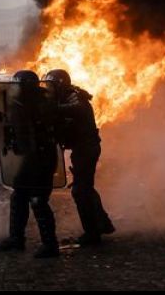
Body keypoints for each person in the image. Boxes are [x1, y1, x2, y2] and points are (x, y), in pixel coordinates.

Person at [44, 69, 115, 246]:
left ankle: (92, 233)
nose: (49, 90)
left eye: (52, 86)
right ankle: (102, 224)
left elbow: (76, 109)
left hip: (86, 149)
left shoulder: (76, 97)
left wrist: (50, 109)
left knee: (81, 191)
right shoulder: (65, 97)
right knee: (86, 188)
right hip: (81, 149)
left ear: (60, 84)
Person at [0, 70, 60, 259]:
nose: (14, 89)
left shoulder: (44, 104)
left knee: (38, 200)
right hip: (30, 157)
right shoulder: (19, 104)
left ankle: (50, 245)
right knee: (19, 195)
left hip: (42, 158)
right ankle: (16, 238)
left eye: (17, 85)